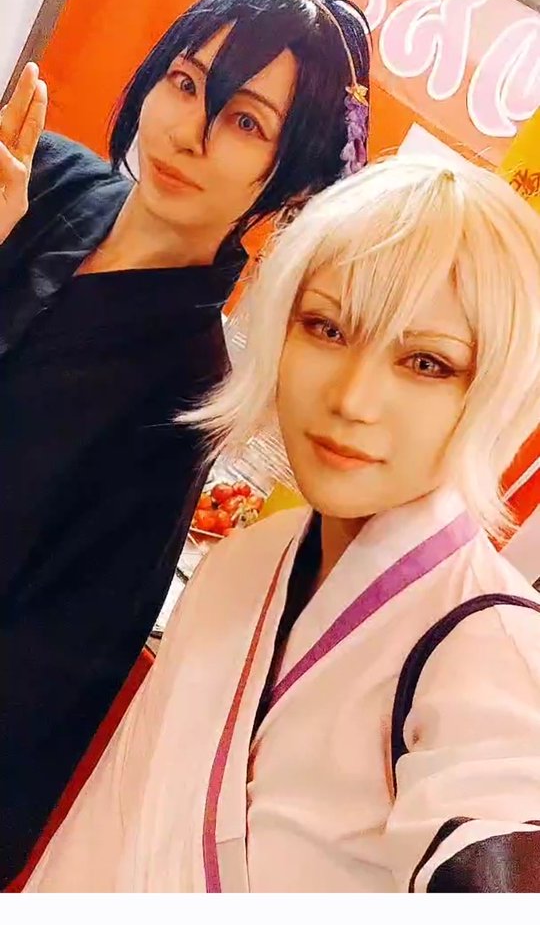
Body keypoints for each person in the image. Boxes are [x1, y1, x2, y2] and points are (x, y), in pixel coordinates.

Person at [25, 152, 540, 893]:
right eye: (326, 328)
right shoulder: (241, 563)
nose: (353, 399)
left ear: (495, 390)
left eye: (427, 363)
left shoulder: (494, 653)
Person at [0, 0, 371, 886]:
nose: (189, 130)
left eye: (245, 123)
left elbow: (46, 676)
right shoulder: (37, 177)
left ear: (289, 184)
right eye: (186, 81)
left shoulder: (184, 399)